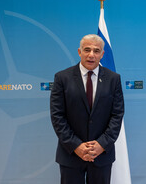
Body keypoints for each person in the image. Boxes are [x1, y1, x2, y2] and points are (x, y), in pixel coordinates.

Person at [50, 34, 124, 184]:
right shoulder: (62, 78)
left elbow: (117, 115)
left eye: (96, 51)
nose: (91, 55)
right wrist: (76, 146)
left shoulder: (113, 79)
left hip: (101, 155)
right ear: (79, 52)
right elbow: (57, 116)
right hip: (70, 154)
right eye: (87, 50)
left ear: (102, 54)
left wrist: (101, 145)